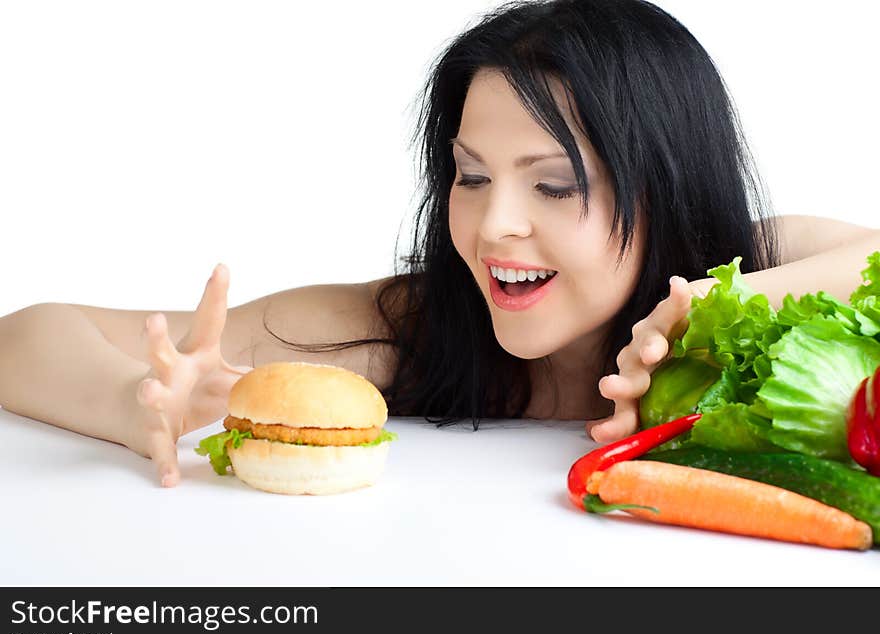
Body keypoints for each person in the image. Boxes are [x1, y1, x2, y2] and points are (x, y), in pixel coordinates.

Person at [1, 0, 876, 488]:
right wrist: (133, 401)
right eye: (470, 175)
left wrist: (716, 307)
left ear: (669, 186)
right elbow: (26, 334)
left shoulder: (754, 262)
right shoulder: (403, 326)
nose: (494, 227)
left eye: (553, 183)